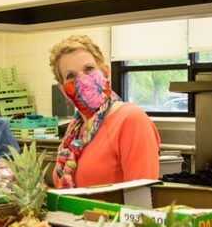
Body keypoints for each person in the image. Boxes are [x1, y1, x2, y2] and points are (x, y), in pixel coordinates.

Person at [50, 34, 160, 188]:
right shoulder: (75, 129)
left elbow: (141, 198)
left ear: (105, 71)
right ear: (63, 89)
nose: (82, 80)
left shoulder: (130, 120)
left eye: (89, 69)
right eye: (71, 76)